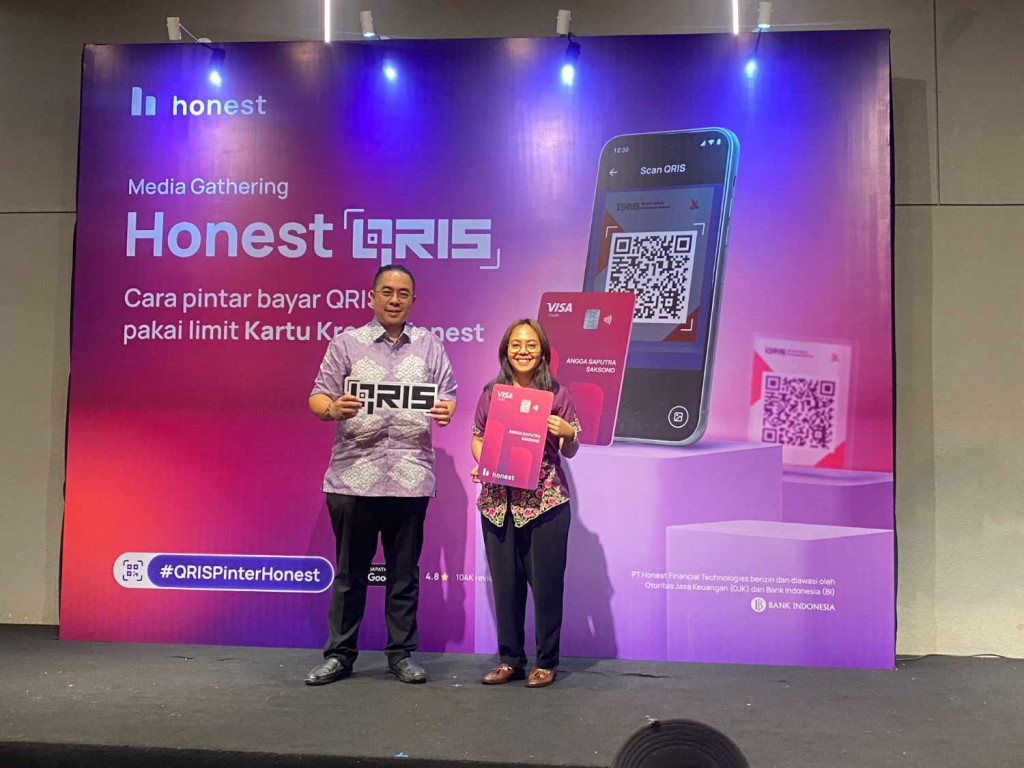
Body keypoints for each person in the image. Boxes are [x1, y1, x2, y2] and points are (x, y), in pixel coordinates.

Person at [305, 265, 457, 686]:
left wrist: (446, 410)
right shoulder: (346, 343)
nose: (394, 300)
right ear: (371, 296)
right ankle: (339, 655)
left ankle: (401, 654)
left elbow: (448, 397)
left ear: (413, 300)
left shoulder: (430, 346)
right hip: (353, 476)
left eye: (403, 293)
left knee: (403, 575)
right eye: (387, 292)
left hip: (410, 478)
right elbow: (317, 395)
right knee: (349, 574)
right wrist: (332, 408)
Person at [470, 318, 581, 688]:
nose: (523, 351)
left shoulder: (557, 394)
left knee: (546, 586)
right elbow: (477, 438)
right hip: (497, 504)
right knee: (506, 586)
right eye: (516, 344)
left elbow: (570, 449)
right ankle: (510, 661)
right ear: (505, 350)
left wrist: (569, 433)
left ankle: (546, 662)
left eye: (531, 344)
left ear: (542, 351)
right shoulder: (492, 393)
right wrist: (486, 462)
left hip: (545, 504)